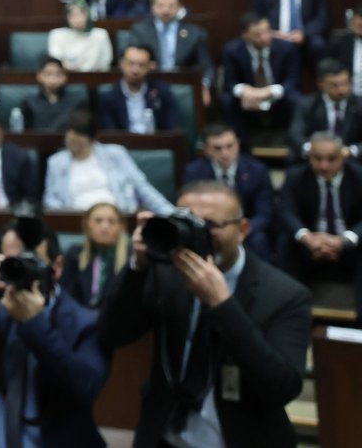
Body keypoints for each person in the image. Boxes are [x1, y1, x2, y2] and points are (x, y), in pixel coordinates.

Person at [100, 181, 311, 448]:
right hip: (164, 436)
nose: (197, 234)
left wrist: (223, 305)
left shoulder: (285, 294)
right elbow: (112, 334)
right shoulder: (167, 271)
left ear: (242, 229)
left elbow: (283, 387)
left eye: (210, 225)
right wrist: (137, 267)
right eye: (188, 222)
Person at [0, 241, 109, 448]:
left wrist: (35, 324)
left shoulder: (86, 322)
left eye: (31, 262)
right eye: (14, 262)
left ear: (57, 267)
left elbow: (86, 388)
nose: (22, 271)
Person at [276, 132, 362, 307]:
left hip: (349, 246)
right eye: (317, 158)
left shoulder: (359, 176)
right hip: (310, 245)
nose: (324, 165)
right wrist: (307, 238)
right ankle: (289, 309)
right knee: (285, 242)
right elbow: (286, 211)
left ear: (343, 157)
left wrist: (344, 240)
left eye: (331, 159)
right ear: (309, 157)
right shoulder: (296, 176)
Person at [43, 111, 175, 215]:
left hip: (116, 215)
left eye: (79, 143)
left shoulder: (116, 154)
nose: (74, 146)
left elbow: (142, 186)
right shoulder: (56, 162)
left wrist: (170, 213)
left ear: (91, 139)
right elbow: (50, 199)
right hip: (77, 219)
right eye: (70, 142)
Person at [184, 124, 275, 260]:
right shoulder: (194, 172)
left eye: (229, 146)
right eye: (217, 148)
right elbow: (190, 211)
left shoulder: (257, 170)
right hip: (208, 227)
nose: (225, 153)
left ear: (238, 144)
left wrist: (239, 230)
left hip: (246, 227)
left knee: (259, 240)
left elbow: (264, 213)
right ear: (206, 150)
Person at [219, 13, 300, 139]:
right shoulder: (232, 50)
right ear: (245, 35)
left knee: (295, 99)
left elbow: (292, 80)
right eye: (258, 35)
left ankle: (291, 142)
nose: (265, 37)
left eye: (267, 31)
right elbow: (230, 82)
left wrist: (269, 91)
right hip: (248, 97)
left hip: (277, 96)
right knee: (227, 101)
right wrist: (244, 91)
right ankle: (241, 145)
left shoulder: (286, 48)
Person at [128, 0, 213, 79]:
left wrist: (204, 85)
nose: (166, 11)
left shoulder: (195, 33)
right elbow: (131, 60)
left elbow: (207, 67)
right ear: (152, 7)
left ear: (180, 7)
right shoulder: (140, 30)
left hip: (183, 82)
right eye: (161, 6)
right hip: (150, 80)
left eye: (171, 6)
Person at [287, 59, 362, 160]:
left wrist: (352, 150)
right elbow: (295, 135)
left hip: (351, 159)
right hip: (316, 159)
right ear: (320, 84)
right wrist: (315, 151)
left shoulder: (359, 104)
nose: (342, 90)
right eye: (335, 85)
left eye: (345, 83)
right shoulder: (307, 105)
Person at [60, 202, 128, 309]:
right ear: (87, 224)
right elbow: (67, 295)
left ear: (120, 226)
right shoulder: (75, 254)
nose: (105, 227)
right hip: (80, 319)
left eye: (111, 221)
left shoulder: (131, 259)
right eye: (98, 221)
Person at [96, 44, 177, 133]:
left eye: (141, 65)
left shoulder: (162, 93)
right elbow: (110, 133)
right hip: (120, 145)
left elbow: (170, 130)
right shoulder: (108, 97)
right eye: (130, 64)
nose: (135, 70)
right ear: (121, 64)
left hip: (156, 145)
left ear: (151, 66)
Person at [47, 0, 114, 73]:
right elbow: (56, 61)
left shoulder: (100, 34)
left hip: (95, 76)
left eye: (81, 13)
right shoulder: (57, 34)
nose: (77, 18)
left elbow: (106, 61)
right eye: (73, 14)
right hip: (66, 76)